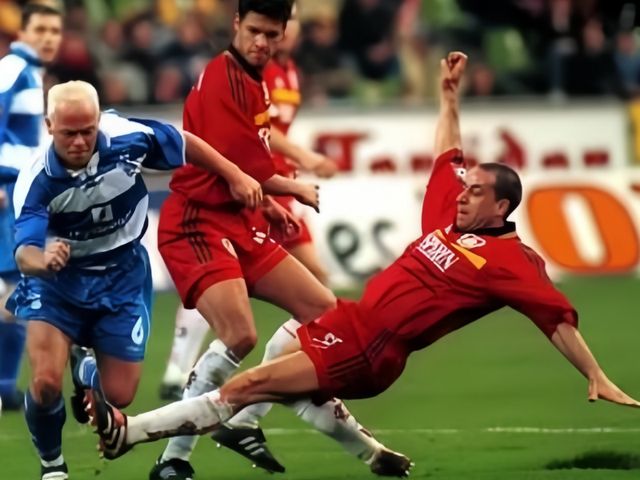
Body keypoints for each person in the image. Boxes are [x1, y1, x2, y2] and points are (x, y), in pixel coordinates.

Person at [88, 52, 640, 471]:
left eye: (475, 191)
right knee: (287, 334)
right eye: (465, 186)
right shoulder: (450, 217)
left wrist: (595, 374)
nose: (462, 192)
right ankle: (369, 454)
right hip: (352, 320)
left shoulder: (509, 260)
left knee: (243, 387)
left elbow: (555, 317)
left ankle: (130, 434)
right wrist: (449, 99)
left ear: (501, 208)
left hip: (370, 352)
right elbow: (448, 154)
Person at [148, 1, 409, 479]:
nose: (261, 42)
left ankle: (247, 416)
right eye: (254, 31)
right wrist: (291, 187)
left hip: (238, 219)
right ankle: (173, 460)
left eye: (272, 34)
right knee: (239, 335)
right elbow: (235, 164)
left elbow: (246, 166)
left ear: (284, 33)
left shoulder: (256, 80)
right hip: (197, 222)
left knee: (324, 310)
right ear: (236, 24)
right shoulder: (225, 76)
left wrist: (267, 206)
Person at [7, 79, 263, 480]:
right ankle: (53, 466)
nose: (80, 142)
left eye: (87, 130)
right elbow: (24, 254)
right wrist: (43, 261)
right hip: (58, 283)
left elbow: (184, 142)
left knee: (120, 396)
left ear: (98, 120)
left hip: (122, 275)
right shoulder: (36, 179)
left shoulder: (127, 136)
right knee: (44, 383)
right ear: (49, 125)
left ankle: (85, 367)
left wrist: (235, 175)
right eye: (69, 133)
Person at [0, 2, 62, 412]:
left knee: (17, 287)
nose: (48, 38)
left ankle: (5, 386)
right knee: (15, 287)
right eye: (40, 29)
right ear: (22, 33)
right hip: (7, 189)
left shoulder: (32, 73)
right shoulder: (12, 68)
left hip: (22, 190)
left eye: (54, 31)